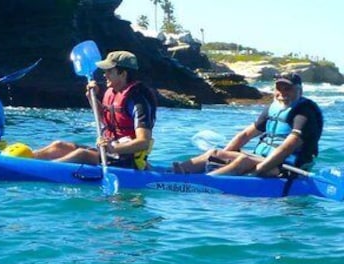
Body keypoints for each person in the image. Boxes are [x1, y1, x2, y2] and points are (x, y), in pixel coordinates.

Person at [174, 72, 323, 176]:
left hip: (289, 165)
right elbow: (245, 135)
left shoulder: (304, 113)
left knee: (243, 160)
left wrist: (259, 169)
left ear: (300, 90)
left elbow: (286, 148)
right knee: (214, 153)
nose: (282, 92)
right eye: (279, 88)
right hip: (263, 157)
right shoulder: (274, 108)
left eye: (288, 88)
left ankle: (206, 182)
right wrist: (222, 157)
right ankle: (172, 173)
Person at [32, 50, 157, 169]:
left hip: (127, 158)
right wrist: (91, 98)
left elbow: (143, 142)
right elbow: (105, 120)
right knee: (58, 146)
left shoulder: (138, 102)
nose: (105, 75)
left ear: (123, 74)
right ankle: (23, 158)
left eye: (109, 71)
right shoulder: (112, 93)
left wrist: (113, 149)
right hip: (110, 151)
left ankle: (39, 170)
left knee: (82, 155)